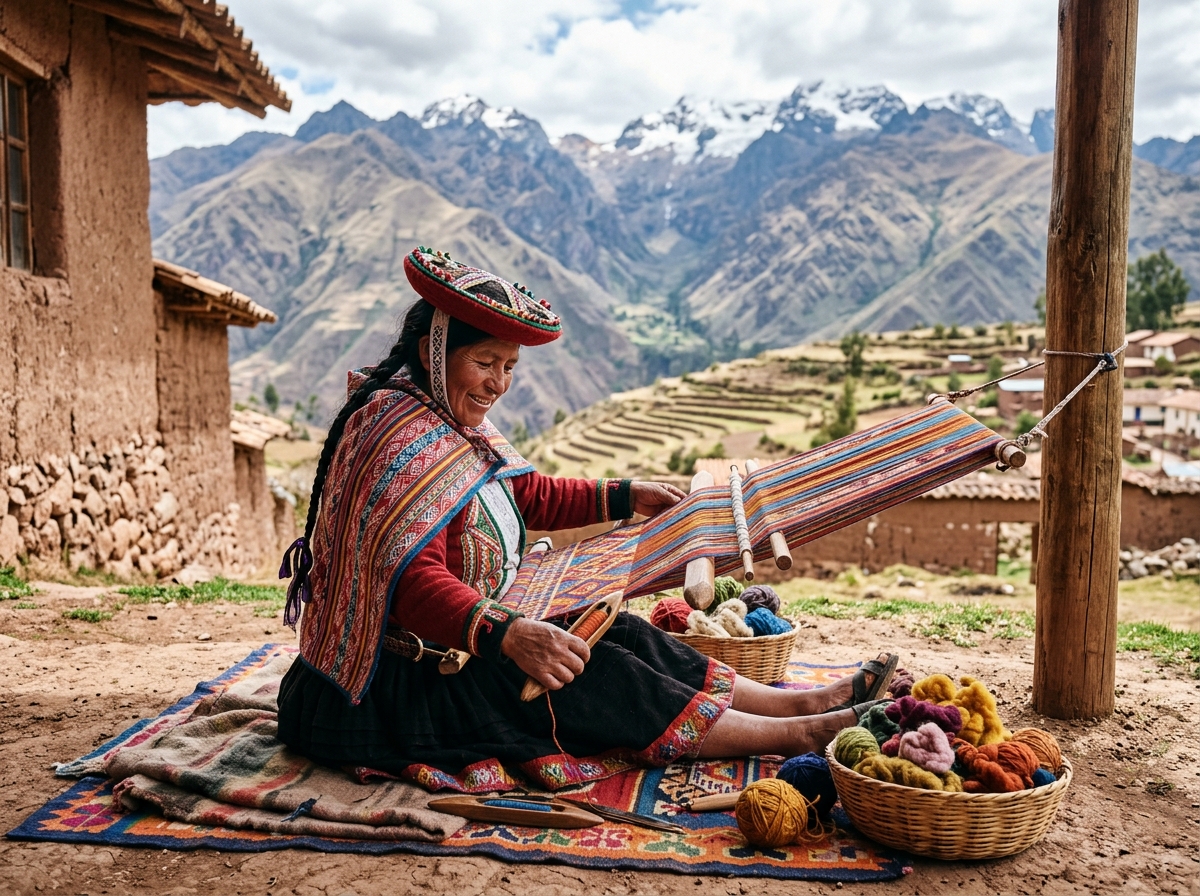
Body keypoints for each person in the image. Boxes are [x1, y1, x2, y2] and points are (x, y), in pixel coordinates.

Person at [277, 247, 896, 792]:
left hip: (458, 647)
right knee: (591, 670)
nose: (499, 384)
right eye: (486, 362)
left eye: (510, 367)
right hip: (386, 690)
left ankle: (804, 703)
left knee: (617, 633)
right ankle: (797, 734)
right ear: (434, 351)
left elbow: (529, 494)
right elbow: (409, 583)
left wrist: (627, 496)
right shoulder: (397, 436)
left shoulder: (450, 422)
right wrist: (511, 635)